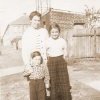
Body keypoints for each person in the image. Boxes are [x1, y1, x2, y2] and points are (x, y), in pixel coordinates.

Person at [46, 23, 72, 100]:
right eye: (52, 32)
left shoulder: (62, 40)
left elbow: (65, 50)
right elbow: (45, 52)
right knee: (53, 81)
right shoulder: (47, 41)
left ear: (59, 32)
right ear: (50, 33)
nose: (54, 34)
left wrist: (64, 57)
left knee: (63, 81)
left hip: (61, 61)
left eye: (56, 32)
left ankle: (65, 97)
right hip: (51, 62)